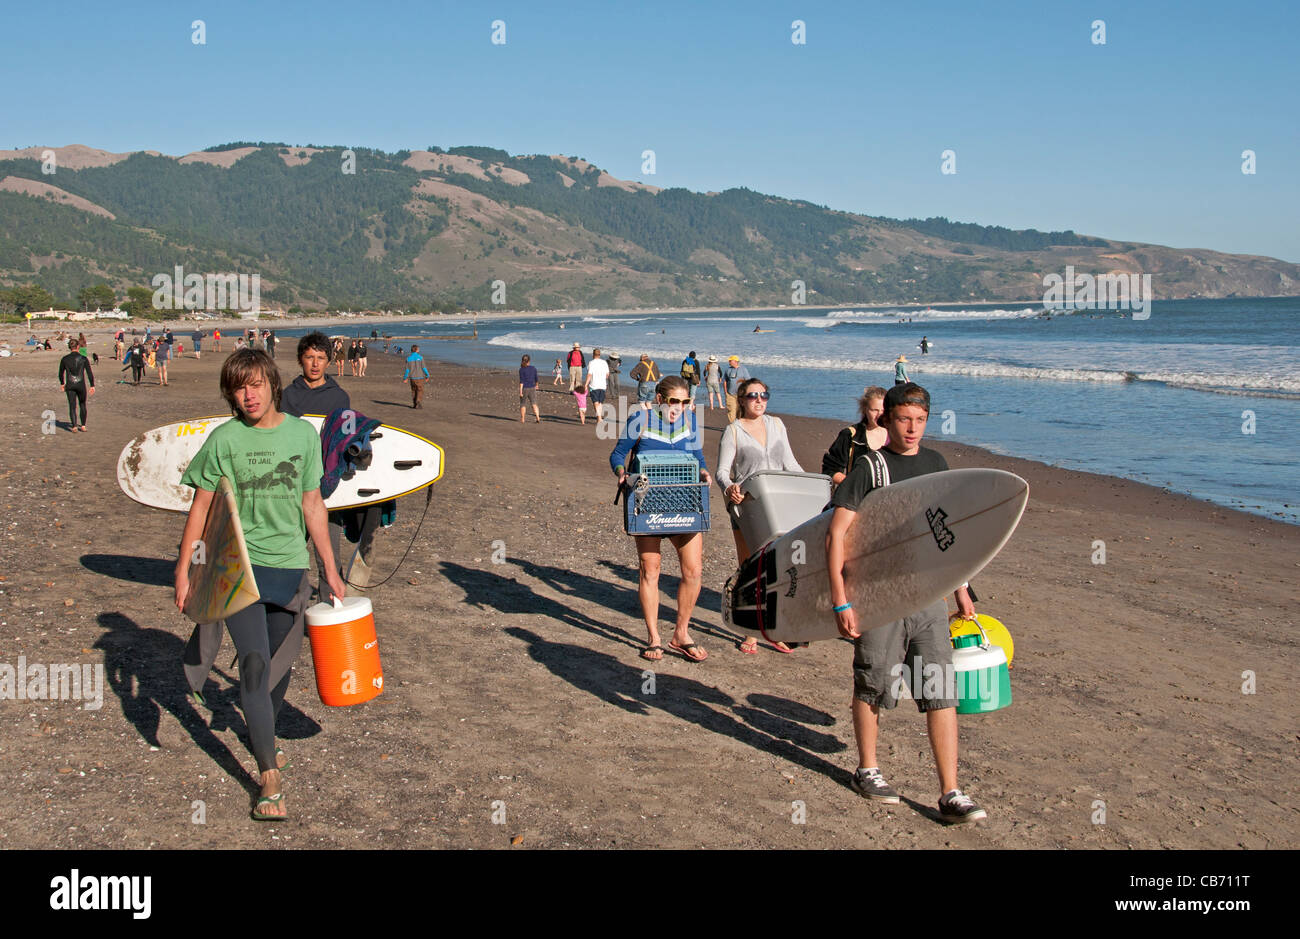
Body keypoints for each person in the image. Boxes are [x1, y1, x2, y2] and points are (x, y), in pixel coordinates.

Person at [174, 349, 344, 821]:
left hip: (288, 568)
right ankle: (269, 776)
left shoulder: (302, 435)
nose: (248, 395)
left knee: (277, 673)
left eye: (255, 384)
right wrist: (184, 568)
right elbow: (201, 508)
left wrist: (330, 569)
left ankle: (261, 731)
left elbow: (313, 504)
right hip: (237, 570)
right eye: (238, 388)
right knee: (253, 665)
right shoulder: (224, 440)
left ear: (272, 384)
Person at [826, 382, 984, 823]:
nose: (912, 428)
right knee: (873, 682)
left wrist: (961, 587)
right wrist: (840, 600)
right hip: (878, 595)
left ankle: (950, 791)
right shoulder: (869, 467)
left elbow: (945, 534)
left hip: (928, 595)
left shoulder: (936, 464)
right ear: (886, 419)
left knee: (940, 691)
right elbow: (836, 534)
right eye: (903, 419)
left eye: (920, 420)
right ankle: (867, 770)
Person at [610, 376, 711, 663]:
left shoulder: (690, 422)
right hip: (647, 505)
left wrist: (704, 472)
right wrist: (621, 472)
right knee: (650, 570)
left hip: (685, 502)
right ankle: (653, 637)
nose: (679, 407)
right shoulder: (640, 420)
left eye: (685, 401)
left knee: (693, 571)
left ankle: (681, 633)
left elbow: (699, 457)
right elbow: (618, 454)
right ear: (659, 399)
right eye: (673, 401)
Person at [280, 331, 380, 601]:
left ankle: (331, 605)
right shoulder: (286, 397)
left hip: (327, 488)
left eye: (321, 358)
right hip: (291, 487)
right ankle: (291, 606)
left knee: (329, 557)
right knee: (291, 553)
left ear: (329, 361)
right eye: (309, 357)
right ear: (300, 359)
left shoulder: (339, 398)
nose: (315, 364)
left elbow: (345, 443)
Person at [716, 378, 804, 654]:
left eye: (764, 395)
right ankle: (751, 630)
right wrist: (729, 488)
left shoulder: (777, 424)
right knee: (750, 568)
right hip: (747, 506)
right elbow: (722, 472)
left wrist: (812, 485)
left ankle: (776, 629)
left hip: (778, 504)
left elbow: (790, 463)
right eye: (753, 396)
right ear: (742, 400)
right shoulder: (733, 431)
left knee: (778, 567)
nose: (759, 400)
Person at [822, 386, 889, 488]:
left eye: (883, 410)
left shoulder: (896, 435)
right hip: (858, 495)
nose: (879, 415)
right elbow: (830, 471)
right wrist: (855, 485)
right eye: (874, 410)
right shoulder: (850, 435)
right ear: (865, 409)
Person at [58, 339, 95, 432]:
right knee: (82, 404)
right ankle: (83, 426)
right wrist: (92, 385)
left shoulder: (65, 359)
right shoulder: (83, 358)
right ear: (78, 346)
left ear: (69, 347)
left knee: (72, 405)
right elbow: (89, 373)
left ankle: (74, 426)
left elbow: (60, 373)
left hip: (70, 385)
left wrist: (62, 383)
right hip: (80, 385)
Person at [723, 355, 750, 422]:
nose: (729, 361)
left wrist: (746, 392)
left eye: (730, 360)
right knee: (731, 410)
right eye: (729, 360)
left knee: (740, 411)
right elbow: (725, 381)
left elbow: (748, 381)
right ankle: (733, 425)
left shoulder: (743, 369)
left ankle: (740, 424)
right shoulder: (728, 370)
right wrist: (725, 392)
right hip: (730, 394)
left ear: (735, 361)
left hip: (741, 395)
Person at [586, 347, 609, 423]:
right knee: (600, 402)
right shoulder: (604, 362)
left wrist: (586, 384)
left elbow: (589, 374)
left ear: (593, 355)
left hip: (594, 385)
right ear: (599, 355)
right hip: (603, 385)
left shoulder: (591, 363)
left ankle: (599, 418)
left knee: (596, 402)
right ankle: (599, 417)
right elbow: (607, 375)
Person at [403, 344, 429, 408]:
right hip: (420, 377)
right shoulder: (420, 357)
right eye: (418, 349)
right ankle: (418, 401)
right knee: (420, 390)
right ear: (417, 350)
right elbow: (424, 368)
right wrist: (427, 375)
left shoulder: (408, 358)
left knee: (414, 390)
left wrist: (405, 378)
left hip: (412, 378)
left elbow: (407, 370)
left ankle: (415, 404)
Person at [519, 354, 541, 423]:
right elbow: (536, 378)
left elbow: (521, 382)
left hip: (525, 388)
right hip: (532, 387)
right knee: (534, 403)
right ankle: (537, 417)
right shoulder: (533, 368)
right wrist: (537, 385)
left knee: (523, 404)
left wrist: (520, 392)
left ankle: (523, 419)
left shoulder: (521, 369)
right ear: (529, 361)